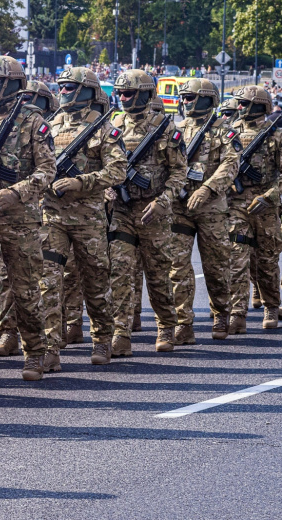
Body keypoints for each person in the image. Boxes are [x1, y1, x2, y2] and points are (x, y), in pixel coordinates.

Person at [0, 56, 55, 382]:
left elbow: (47, 170)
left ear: (13, 85)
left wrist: (16, 192)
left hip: (20, 218)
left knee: (25, 290)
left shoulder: (34, 122)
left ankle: (35, 352)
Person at [40, 67, 126, 370]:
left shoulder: (104, 128)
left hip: (88, 218)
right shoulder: (50, 126)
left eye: (69, 87)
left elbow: (118, 171)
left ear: (87, 91)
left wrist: (81, 182)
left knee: (96, 280)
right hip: (52, 215)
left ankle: (102, 338)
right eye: (61, 86)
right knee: (49, 281)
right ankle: (49, 346)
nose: (62, 91)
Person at [109, 69, 187, 355]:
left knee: (157, 274)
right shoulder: (113, 125)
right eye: (120, 93)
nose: (123, 97)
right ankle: (121, 332)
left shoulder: (165, 128)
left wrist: (163, 202)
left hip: (154, 212)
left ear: (144, 93)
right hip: (122, 209)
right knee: (119, 271)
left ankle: (166, 325)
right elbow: (103, 167)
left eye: (128, 92)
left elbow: (180, 172)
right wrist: (107, 187)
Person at [168, 78, 239, 344]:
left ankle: (221, 313)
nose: (185, 102)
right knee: (178, 266)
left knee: (216, 264)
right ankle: (183, 322)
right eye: (183, 98)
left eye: (190, 97)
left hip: (211, 208)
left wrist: (207, 190)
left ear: (208, 99)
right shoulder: (176, 129)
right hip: (180, 207)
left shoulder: (224, 131)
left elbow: (231, 165)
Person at [227, 86, 282, 333]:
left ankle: (271, 306)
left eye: (244, 103)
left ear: (258, 105)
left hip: (266, 207)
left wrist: (269, 197)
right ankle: (238, 312)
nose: (239, 108)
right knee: (237, 258)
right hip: (237, 204)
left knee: (267, 260)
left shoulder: (275, 136)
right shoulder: (230, 134)